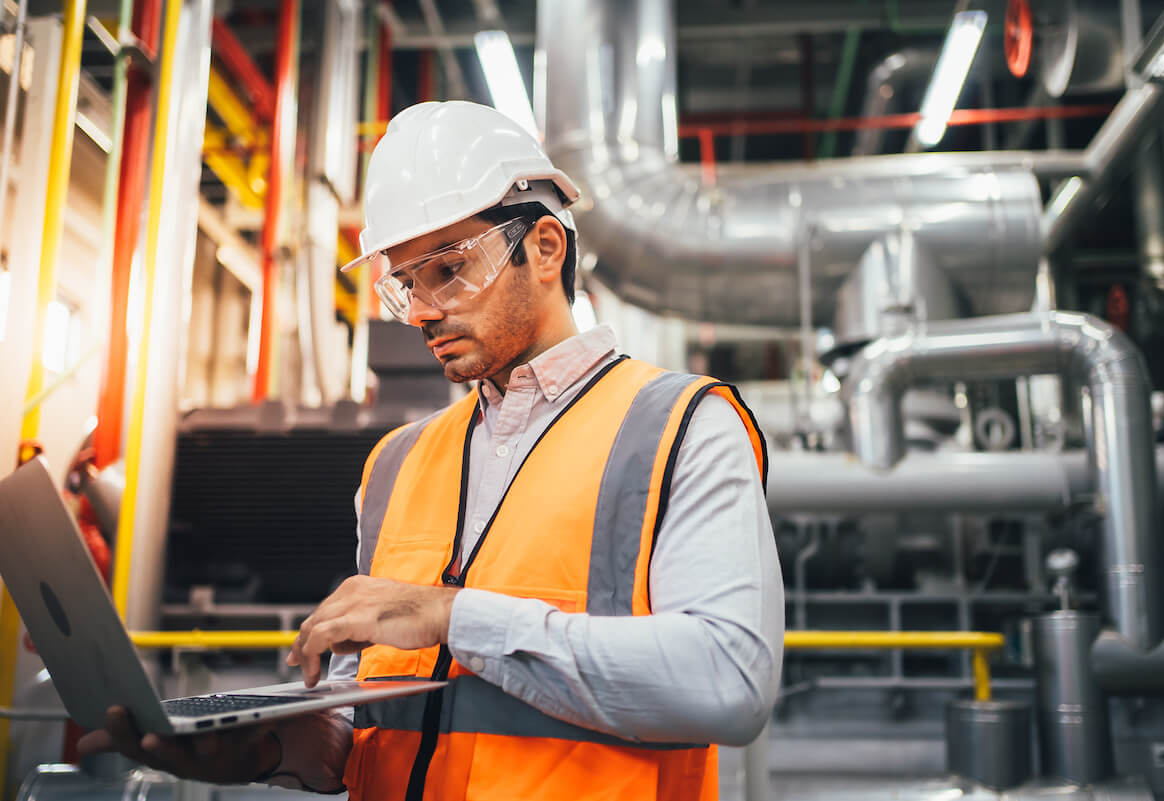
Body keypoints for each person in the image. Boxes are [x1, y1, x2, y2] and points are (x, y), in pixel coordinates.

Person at [79, 100, 783, 800]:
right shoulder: (395, 464)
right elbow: (374, 721)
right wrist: (263, 748)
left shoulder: (682, 426)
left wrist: (452, 614)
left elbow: (731, 681)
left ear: (545, 247)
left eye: (447, 270)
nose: (420, 311)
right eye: (404, 283)